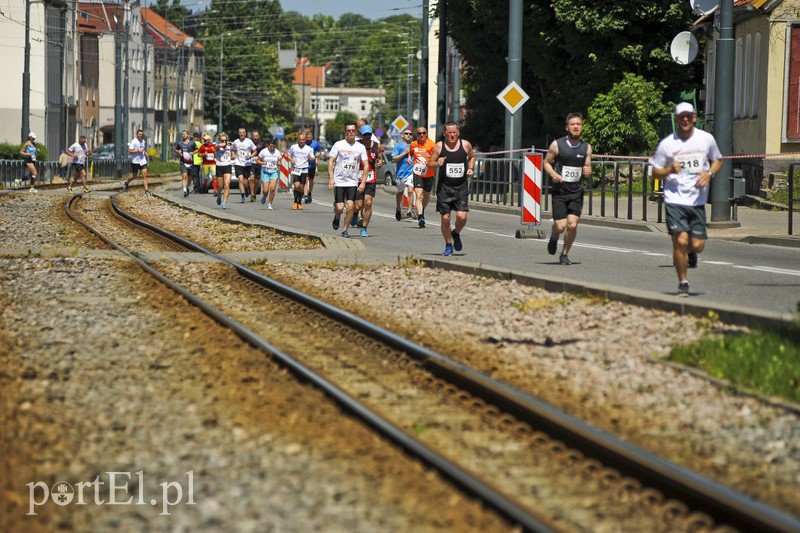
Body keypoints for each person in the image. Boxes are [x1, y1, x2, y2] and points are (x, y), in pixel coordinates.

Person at [650, 102, 722, 297]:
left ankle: (691, 253)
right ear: (676, 119)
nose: (685, 119)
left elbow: (718, 160)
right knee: (680, 242)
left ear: (694, 118)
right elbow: (655, 173)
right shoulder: (667, 144)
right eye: (681, 116)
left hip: (697, 201)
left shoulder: (706, 139)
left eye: (688, 116)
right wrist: (668, 170)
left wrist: (709, 173)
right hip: (674, 200)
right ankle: (683, 282)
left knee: (697, 246)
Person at [543, 112, 593, 265]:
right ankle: (554, 235)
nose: (576, 127)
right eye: (573, 124)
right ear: (567, 127)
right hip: (560, 192)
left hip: (576, 192)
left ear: (582, 127)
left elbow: (588, 166)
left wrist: (588, 171)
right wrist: (553, 174)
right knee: (560, 225)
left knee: (572, 224)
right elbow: (546, 162)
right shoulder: (557, 145)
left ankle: (564, 254)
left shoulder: (586, 147)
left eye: (578, 124)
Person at [429, 122, 477, 256]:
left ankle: (456, 233)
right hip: (444, 187)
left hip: (461, 186)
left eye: (454, 132)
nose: (452, 135)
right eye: (449, 132)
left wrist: (470, 168)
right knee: (445, 218)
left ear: (458, 132)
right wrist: (437, 163)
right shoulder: (439, 146)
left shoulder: (465, 144)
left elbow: (472, 156)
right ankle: (448, 245)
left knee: (462, 216)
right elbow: (430, 164)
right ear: (444, 133)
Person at [328, 124, 368, 238]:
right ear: (345, 132)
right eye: (348, 130)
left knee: (350, 206)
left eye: (353, 131)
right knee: (340, 207)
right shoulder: (338, 145)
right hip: (339, 181)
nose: (351, 132)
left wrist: (363, 182)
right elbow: (331, 161)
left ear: (356, 132)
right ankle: (337, 217)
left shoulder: (360, 147)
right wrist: (331, 179)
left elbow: (365, 165)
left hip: (352, 182)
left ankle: (345, 230)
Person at [354, 124, 383, 237]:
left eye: (369, 134)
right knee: (358, 205)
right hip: (358, 177)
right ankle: (355, 214)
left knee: (368, 203)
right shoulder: (357, 145)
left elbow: (379, 157)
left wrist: (380, 162)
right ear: (361, 135)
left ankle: (364, 228)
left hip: (371, 177)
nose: (367, 137)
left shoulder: (376, 146)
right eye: (365, 135)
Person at [409, 126, 435, 227]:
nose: (421, 135)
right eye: (419, 133)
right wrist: (409, 158)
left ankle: (422, 209)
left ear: (426, 133)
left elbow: (437, 156)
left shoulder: (432, 144)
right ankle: (420, 217)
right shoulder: (413, 144)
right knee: (419, 195)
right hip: (418, 173)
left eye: (423, 133)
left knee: (426, 197)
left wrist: (431, 158)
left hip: (429, 173)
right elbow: (411, 153)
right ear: (417, 134)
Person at [391, 127, 415, 221]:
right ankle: (398, 208)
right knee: (400, 192)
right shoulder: (398, 146)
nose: (408, 135)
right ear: (402, 135)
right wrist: (404, 153)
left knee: (410, 190)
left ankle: (409, 211)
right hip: (400, 174)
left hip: (411, 172)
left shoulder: (414, 145)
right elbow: (393, 159)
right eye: (406, 133)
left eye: (410, 134)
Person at [286, 133, 315, 210]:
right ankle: (295, 201)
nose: (301, 141)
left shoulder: (308, 148)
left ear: (305, 140)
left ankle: (299, 202)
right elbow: (288, 155)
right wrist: (291, 160)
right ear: (298, 140)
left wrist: (312, 158)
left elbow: (312, 157)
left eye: (303, 140)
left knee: (301, 187)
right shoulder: (293, 147)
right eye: (300, 139)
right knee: (296, 186)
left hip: (304, 169)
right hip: (296, 169)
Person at [232, 128, 257, 203]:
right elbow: (233, 149)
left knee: (245, 182)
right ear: (239, 133)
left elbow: (255, 151)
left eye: (243, 133)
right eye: (240, 133)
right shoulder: (236, 142)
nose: (241, 134)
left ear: (245, 133)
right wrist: (233, 154)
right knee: (240, 180)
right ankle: (242, 196)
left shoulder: (249, 141)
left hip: (247, 164)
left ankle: (246, 189)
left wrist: (250, 156)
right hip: (238, 163)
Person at [256, 138, 281, 210]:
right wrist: (263, 163)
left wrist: (279, 163)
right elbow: (258, 160)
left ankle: (270, 203)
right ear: (268, 145)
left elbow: (279, 162)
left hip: (274, 172)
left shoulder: (277, 152)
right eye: (271, 146)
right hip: (265, 172)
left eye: (273, 146)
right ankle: (264, 196)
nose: (272, 148)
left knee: (272, 189)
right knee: (265, 190)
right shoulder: (263, 151)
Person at [124, 129, 150, 195]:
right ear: (137, 134)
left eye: (141, 134)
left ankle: (146, 190)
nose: (140, 136)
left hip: (143, 160)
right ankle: (127, 182)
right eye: (139, 134)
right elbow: (129, 151)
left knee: (145, 175)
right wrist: (137, 150)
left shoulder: (143, 141)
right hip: (135, 161)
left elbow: (143, 149)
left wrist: (145, 152)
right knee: (134, 176)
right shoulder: (134, 141)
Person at [214, 133, 234, 209]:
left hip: (227, 166)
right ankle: (219, 195)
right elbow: (216, 147)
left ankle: (224, 202)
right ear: (219, 140)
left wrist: (233, 156)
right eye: (222, 140)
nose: (224, 142)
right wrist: (221, 144)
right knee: (220, 186)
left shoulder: (229, 146)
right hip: (219, 166)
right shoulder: (217, 146)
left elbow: (233, 154)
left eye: (225, 140)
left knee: (227, 185)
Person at [175, 129, 197, 197]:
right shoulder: (180, 143)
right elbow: (176, 149)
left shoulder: (192, 143)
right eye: (182, 134)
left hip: (190, 162)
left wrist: (193, 152)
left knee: (189, 177)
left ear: (188, 135)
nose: (183, 135)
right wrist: (178, 152)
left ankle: (187, 187)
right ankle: (184, 190)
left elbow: (197, 149)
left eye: (185, 134)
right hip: (183, 162)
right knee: (184, 176)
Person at [303, 130, 322, 204]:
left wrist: (315, 156)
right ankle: (305, 195)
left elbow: (320, 151)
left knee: (311, 180)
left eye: (309, 137)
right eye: (307, 137)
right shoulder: (303, 143)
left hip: (312, 165)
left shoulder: (315, 143)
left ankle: (309, 192)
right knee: (305, 180)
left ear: (312, 137)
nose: (308, 139)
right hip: (304, 164)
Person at [250, 131, 267, 200]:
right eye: (254, 136)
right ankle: (251, 194)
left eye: (256, 136)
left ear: (258, 136)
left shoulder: (262, 143)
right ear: (252, 136)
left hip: (259, 163)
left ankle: (254, 193)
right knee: (251, 179)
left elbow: (265, 153)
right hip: (251, 163)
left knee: (256, 180)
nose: (255, 137)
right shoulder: (249, 142)